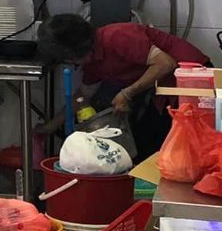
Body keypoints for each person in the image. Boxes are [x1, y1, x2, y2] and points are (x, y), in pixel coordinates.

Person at [38, 13, 210, 156]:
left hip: (194, 80)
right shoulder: (92, 63)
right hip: (165, 89)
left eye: (71, 60)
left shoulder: (118, 36)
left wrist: (126, 93)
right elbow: (82, 97)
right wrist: (50, 126)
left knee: (180, 146)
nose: (74, 64)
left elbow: (165, 63)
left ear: (75, 51)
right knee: (147, 142)